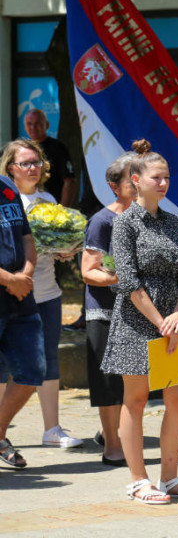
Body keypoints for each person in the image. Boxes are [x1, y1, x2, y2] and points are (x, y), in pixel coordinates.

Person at [100, 140, 178, 504]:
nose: (163, 183)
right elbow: (128, 282)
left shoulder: (173, 221)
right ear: (136, 179)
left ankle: (171, 477)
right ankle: (138, 480)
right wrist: (161, 321)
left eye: (167, 177)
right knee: (137, 400)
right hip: (137, 322)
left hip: (172, 322)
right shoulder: (124, 223)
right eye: (156, 177)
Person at [0, 140, 83, 449]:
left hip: (46, 291)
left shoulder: (48, 198)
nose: (34, 168)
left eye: (37, 162)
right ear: (11, 168)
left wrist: (66, 250)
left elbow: (52, 242)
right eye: (26, 163)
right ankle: (1, 434)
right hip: (11, 292)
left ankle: (52, 430)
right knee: (5, 366)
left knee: (48, 359)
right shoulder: (7, 198)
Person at [80, 154, 137, 466]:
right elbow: (89, 272)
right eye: (132, 178)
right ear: (114, 187)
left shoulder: (148, 218)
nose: (139, 184)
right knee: (109, 382)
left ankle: (113, 433)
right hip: (105, 311)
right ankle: (112, 446)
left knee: (132, 381)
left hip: (139, 312)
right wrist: (122, 277)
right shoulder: (103, 221)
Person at [0, 169, 43, 470]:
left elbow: (26, 236)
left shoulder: (6, 185)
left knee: (33, 370)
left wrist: (26, 274)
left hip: (20, 296)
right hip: (10, 287)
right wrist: (9, 280)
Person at [22, 109, 77, 208]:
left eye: (37, 123)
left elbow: (70, 182)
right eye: (29, 124)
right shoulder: (21, 149)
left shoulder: (57, 148)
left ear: (46, 125)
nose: (33, 127)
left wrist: (62, 211)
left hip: (52, 208)